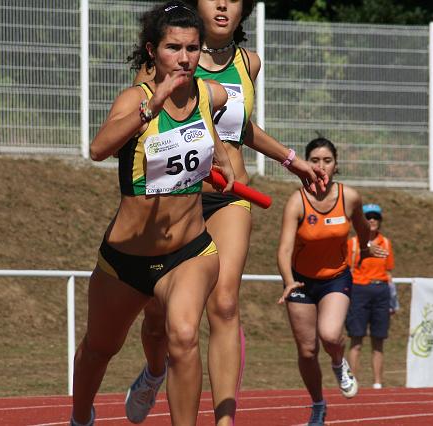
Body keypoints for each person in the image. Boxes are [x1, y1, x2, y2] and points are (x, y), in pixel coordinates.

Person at [126, 1, 327, 425]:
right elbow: (140, 125)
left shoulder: (248, 62)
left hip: (230, 193)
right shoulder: (165, 58)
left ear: (244, 10)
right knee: (159, 317)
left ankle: (224, 419)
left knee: (224, 302)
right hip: (176, 198)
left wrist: (292, 159)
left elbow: (240, 125)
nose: (222, 4)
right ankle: (155, 371)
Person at [69, 3, 236, 425]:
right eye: (173, 47)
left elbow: (228, 132)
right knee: (99, 348)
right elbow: (97, 149)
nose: (184, 58)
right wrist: (154, 104)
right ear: (153, 51)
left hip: (189, 251)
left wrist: (225, 162)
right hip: (126, 260)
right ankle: (80, 417)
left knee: (182, 335)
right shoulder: (135, 99)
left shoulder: (209, 94)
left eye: (193, 48)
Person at [276, 137, 388, 426]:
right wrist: (288, 280)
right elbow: (285, 248)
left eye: (327, 160)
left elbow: (363, 228)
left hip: (336, 279)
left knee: (329, 335)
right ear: (305, 164)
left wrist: (364, 249)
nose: (320, 166)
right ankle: (318, 404)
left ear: (336, 166)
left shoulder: (349, 197)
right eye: (314, 160)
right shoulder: (297, 201)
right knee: (307, 350)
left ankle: (339, 363)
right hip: (300, 282)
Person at [345, 203, 396, 390]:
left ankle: (377, 383)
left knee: (378, 340)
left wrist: (393, 300)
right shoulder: (352, 243)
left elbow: (389, 271)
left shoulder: (387, 243)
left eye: (376, 217)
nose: (372, 220)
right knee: (356, 339)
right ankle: (351, 382)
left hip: (381, 291)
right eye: (368, 217)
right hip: (358, 290)